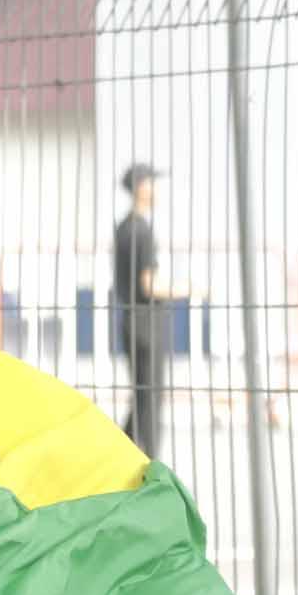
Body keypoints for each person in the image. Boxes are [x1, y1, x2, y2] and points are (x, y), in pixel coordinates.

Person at [114, 163, 190, 458]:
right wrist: (187, 289)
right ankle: (151, 463)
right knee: (151, 397)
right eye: (153, 183)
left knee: (141, 394)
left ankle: (118, 453)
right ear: (141, 187)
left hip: (131, 320)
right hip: (147, 323)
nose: (157, 190)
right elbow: (150, 285)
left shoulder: (124, 227)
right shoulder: (142, 231)